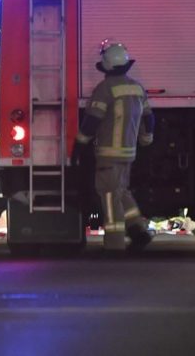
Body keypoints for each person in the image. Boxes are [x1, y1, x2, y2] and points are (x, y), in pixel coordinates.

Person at [71, 40, 155, 253]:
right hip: (129, 153)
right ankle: (138, 230)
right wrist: (147, 138)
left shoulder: (105, 89)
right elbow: (149, 117)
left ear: (106, 66)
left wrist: (78, 147)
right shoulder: (137, 88)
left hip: (108, 155)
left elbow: (91, 122)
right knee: (121, 191)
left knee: (109, 196)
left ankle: (115, 243)